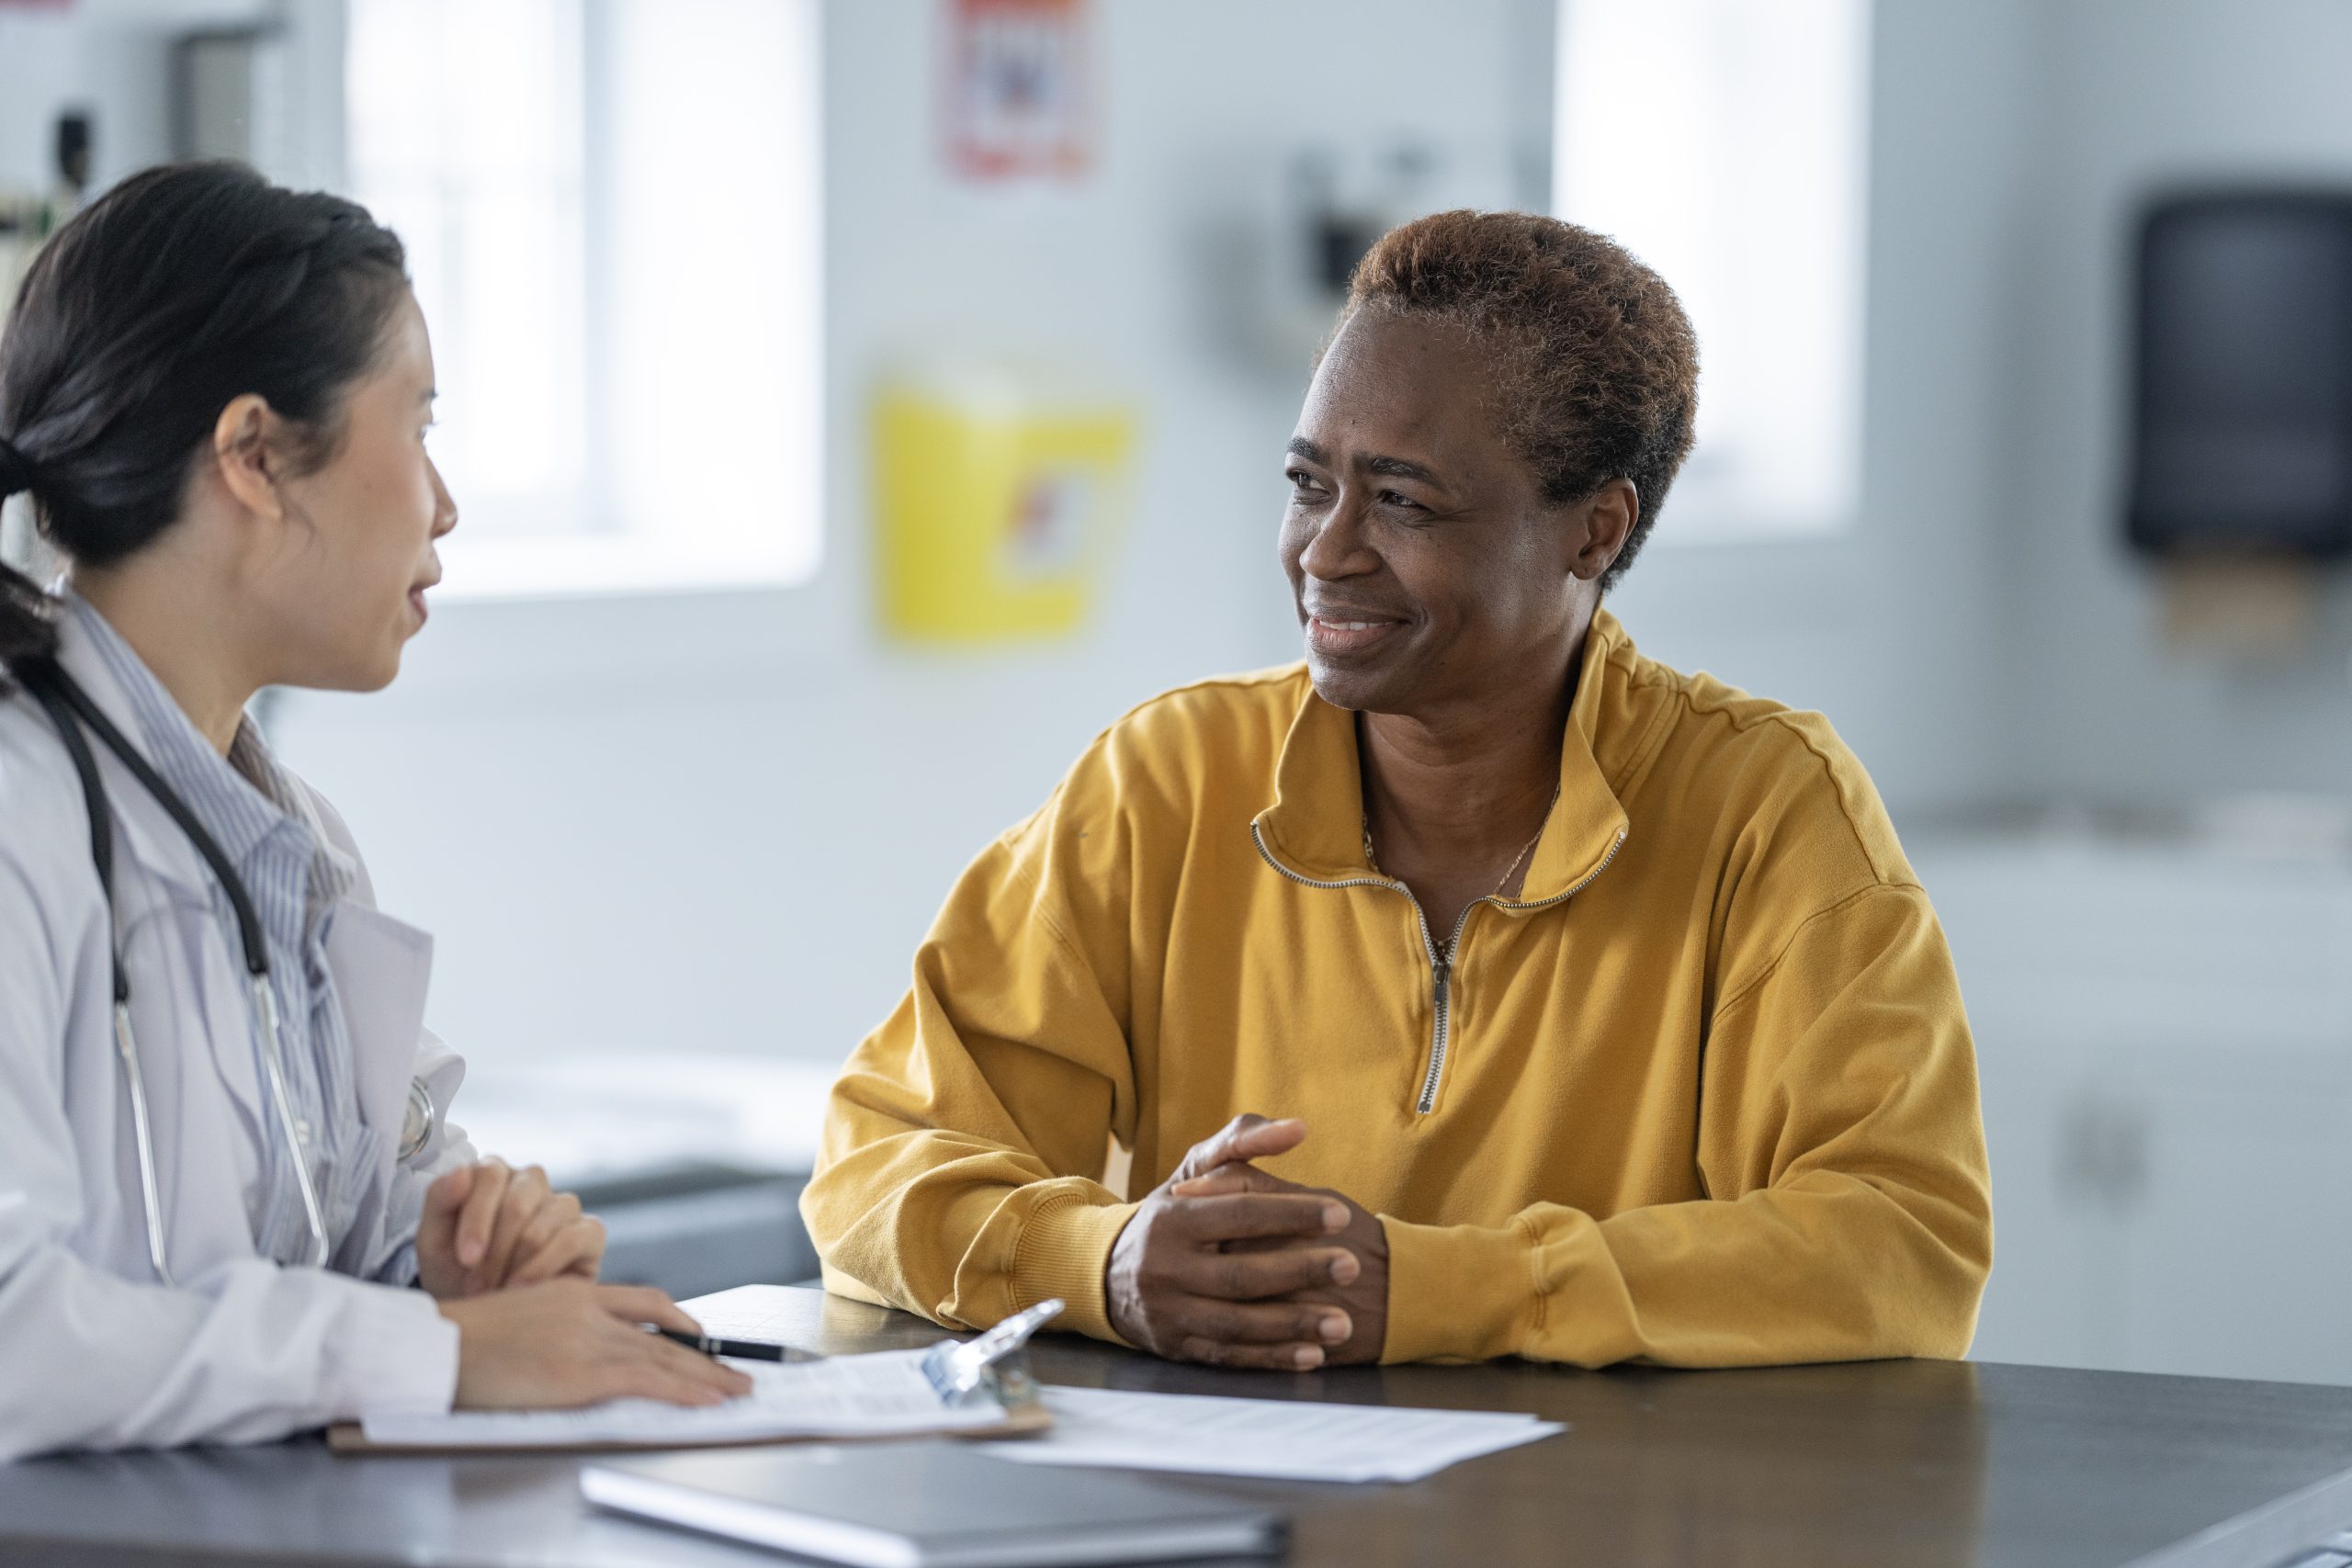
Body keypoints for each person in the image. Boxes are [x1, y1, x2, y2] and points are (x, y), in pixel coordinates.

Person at [806, 209, 1993, 1371]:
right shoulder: (1166, 783)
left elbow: (1899, 1245)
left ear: (1593, 532)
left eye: (1404, 501)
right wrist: (1104, 1263)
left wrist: (1445, 1290)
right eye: (1309, 482)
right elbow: (878, 1164)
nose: (1326, 550)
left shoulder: (1767, 811)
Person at [0, 163, 749, 1461]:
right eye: (420, 427)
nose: (444, 505)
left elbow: (354, 1229)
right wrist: (434, 1355)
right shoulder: (24, 815)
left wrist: (457, 1265)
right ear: (254, 456)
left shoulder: (299, 851)